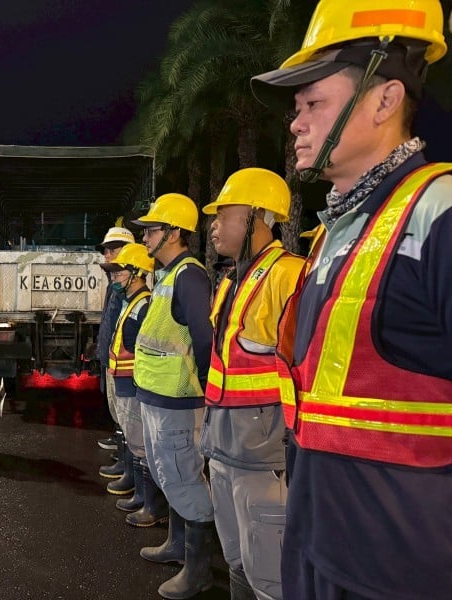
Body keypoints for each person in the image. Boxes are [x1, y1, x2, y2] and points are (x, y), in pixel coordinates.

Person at [251, 1, 452, 598]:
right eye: (297, 109)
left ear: (385, 99)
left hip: (399, 573)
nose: (296, 123)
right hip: (322, 554)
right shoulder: (338, 232)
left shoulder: (435, 215)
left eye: (314, 103)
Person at [199, 168, 305, 600]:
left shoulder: (291, 277)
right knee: (238, 560)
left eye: (224, 214)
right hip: (223, 447)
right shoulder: (231, 281)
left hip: (264, 459)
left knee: (271, 577)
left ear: (259, 217)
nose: (213, 225)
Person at [130, 193, 215, 599]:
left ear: (175, 232)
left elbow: (205, 339)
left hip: (179, 399)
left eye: (152, 229)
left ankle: (198, 571)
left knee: (184, 477)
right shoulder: (165, 276)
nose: (145, 236)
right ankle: (177, 545)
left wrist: (207, 392)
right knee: (169, 475)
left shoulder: (189, 276)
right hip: (156, 396)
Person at [99, 243, 153, 508]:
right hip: (124, 381)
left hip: (134, 384)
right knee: (133, 439)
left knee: (141, 444)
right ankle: (140, 493)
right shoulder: (129, 303)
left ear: (137, 273)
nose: (114, 278)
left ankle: (147, 500)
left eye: (118, 273)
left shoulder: (143, 305)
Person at [94, 225, 135, 480]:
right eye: (106, 250)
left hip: (123, 365)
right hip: (112, 359)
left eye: (113, 249)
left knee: (127, 419)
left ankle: (128, 469)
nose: (107, 254)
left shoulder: (132, 283)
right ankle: (123, 459)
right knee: (118, 414)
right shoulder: (115, 283)